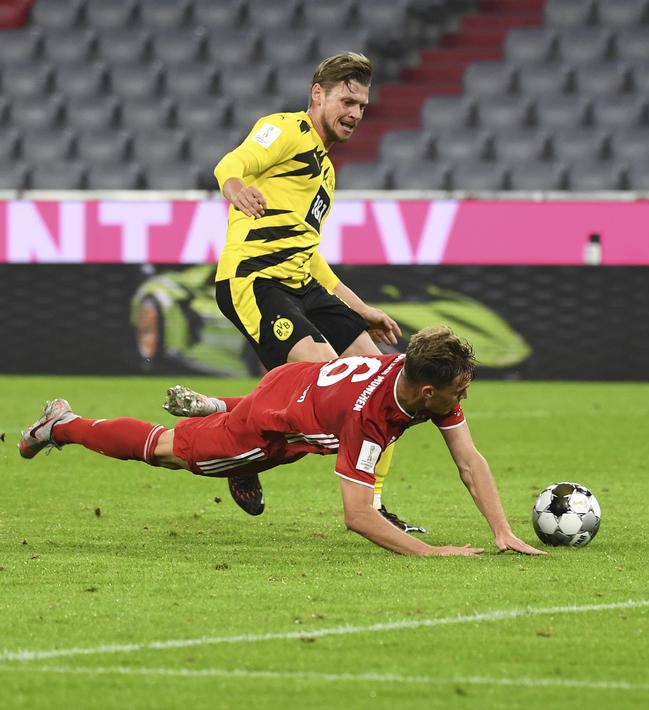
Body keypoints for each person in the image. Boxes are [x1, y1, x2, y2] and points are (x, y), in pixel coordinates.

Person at [19, 326, 544, 558]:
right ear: (427, 391)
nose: (464, 396)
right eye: (460, 389)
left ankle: (221, 406)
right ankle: (63, 424)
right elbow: (358, 516)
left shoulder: (419, 381)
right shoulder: (370, 418)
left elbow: (469, 460)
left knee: (287, 424)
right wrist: (432, 552)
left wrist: (502, 532)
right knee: (165, 450)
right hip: (272, 425)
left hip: (296, 386)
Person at [184, 51, 416, 532]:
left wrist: (361, 309)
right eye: (347, 101)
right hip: (255, 279)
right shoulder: (286, 129)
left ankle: (374, 504)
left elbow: (310, 256)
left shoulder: (326, 175)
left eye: (362, 106)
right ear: (318, 94)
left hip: (301, 283)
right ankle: (237, 446)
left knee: (381, 381)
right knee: (325, 389)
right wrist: (234, 187)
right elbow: (234, 161)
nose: (355, 113)